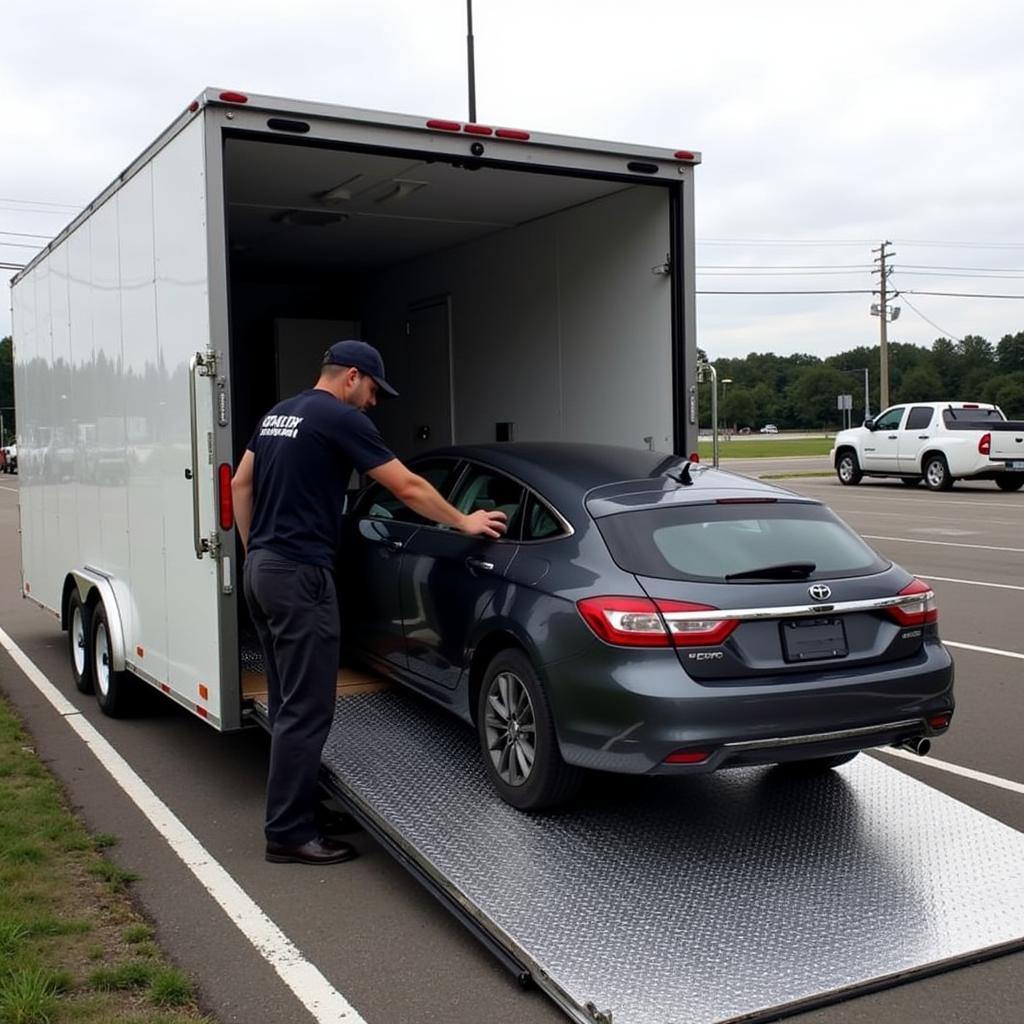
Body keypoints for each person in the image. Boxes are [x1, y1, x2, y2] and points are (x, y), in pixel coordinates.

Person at [232, 340, 506, 865]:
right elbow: (405, 486)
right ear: (352, 377)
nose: (374, 403)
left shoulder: (279, 414)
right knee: (307, 708)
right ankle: (288, 833)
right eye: (375, 390)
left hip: (263, 572)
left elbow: (242, 484)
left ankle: (301, 807)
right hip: (299, 576)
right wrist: (464, 520)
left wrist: (255, 551)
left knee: (290, 701)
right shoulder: (340, 418)